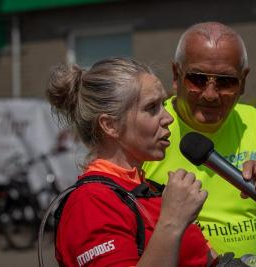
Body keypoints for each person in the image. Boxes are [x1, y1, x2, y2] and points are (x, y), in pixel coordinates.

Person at [143, 22, 256, 258]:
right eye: (197, 79)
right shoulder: (149, 126)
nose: (211, 94)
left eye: (225, 82)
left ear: (243, 82)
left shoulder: (253, 121)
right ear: (176, 75)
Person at [46, 58, 214, 266]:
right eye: (151, 107)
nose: (168, 118)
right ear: (110, 125)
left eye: (163, 104)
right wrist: (173, 221)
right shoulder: (91, 201)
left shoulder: (144, 188)